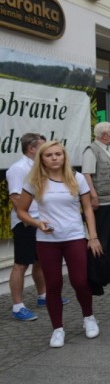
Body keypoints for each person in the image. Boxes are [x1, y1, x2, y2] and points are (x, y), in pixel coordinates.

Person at [15, 141, 103, 348]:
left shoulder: (77, 178)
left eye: (58, 154)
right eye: (49, 155)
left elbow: (88, 209)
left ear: (64, 157)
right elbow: (21, 211)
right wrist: (37, 222)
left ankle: (89, 317)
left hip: (74, 237)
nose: (54, 158)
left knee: (80, 281)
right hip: (47, 241)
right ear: (42, 159)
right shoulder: (34, 181)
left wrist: (93, 236)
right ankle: (57, 329)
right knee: (53, 285)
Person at [7, 132, 49, 320]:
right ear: (31, 149)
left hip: (39, 221)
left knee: (39, 261)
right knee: (21, 264)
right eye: (42, 146)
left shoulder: (39, 167)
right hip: (26, 223)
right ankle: (17, 306)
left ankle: (44, 296)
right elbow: (16, 198)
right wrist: (31, 221)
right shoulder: (18, 169)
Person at [82, 122, 110, 265]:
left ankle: (108, 266)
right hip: (102, 201)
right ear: (104, 135)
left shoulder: (108, 150)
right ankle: (99, 267)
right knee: (102, 236)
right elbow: (87, 174)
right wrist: (93, 196)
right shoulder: (91, 150)